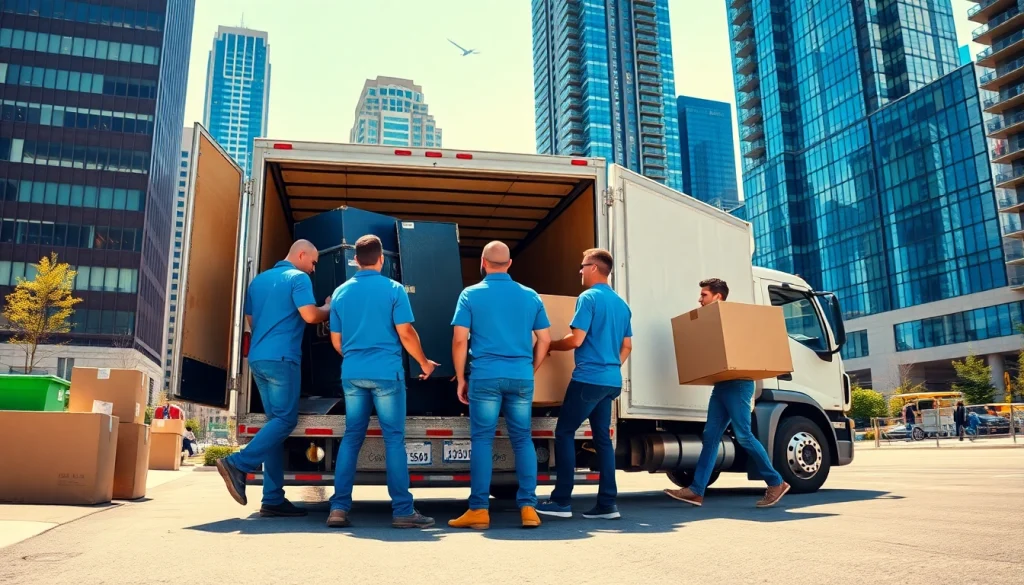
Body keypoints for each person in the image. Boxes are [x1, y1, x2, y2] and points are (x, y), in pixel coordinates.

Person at [326, 235, 437, 530]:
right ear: (381, 259)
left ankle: (338, 509)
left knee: (351, 438)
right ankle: (403, 511)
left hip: (352, 373)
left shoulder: (340, 293)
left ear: (356, 260)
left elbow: (336, 341)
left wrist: (355, 355)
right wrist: (424, 363)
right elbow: (406, 333)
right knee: (393, 441)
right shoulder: (393, 289)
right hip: (387, 374)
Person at [215, 240, 331, 517]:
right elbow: (310, 315)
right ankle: (238, 463)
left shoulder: (258, 281)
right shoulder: (298, 278)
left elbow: (253, 322)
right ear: (301, 255)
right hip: (283, 359)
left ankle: (273, 498)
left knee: (275, 426)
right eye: (313, 262)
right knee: (285, 420)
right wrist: (329, 306)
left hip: (259, 358)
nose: (314, 269)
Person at [448, 241, 552, 530]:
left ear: (482, 262)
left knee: (482, 440)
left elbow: (460, 340)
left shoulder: (470, 294)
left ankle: (479, 510)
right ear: (509, 264)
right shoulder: (530, 296)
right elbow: (545, 339)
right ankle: (529, 508)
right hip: (520, 376)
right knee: (522, 440)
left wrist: (461, 377)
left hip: (485, 376)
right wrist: (531, 369)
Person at [664, 278, 790, 509]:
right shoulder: (709, 324)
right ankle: (696, 490)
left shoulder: (733, 318)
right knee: (710, 436)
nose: (699, 299)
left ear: (717, 297)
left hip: (739, 384)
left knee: (743, 435)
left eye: (704, 295)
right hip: (721, 385)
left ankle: (776, 482)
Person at [537, 248, 632, 520]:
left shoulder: (588, 298)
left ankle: (561, 501)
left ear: (593, 268)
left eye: (582, 266)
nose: (579, 271)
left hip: (588, 379)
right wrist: (610, 365)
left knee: (565, 433)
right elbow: (627, 347)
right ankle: (607, 504)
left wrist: (549, 345)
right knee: (603, 440)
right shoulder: (621, 305)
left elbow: (576, 339)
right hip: (611, 380)